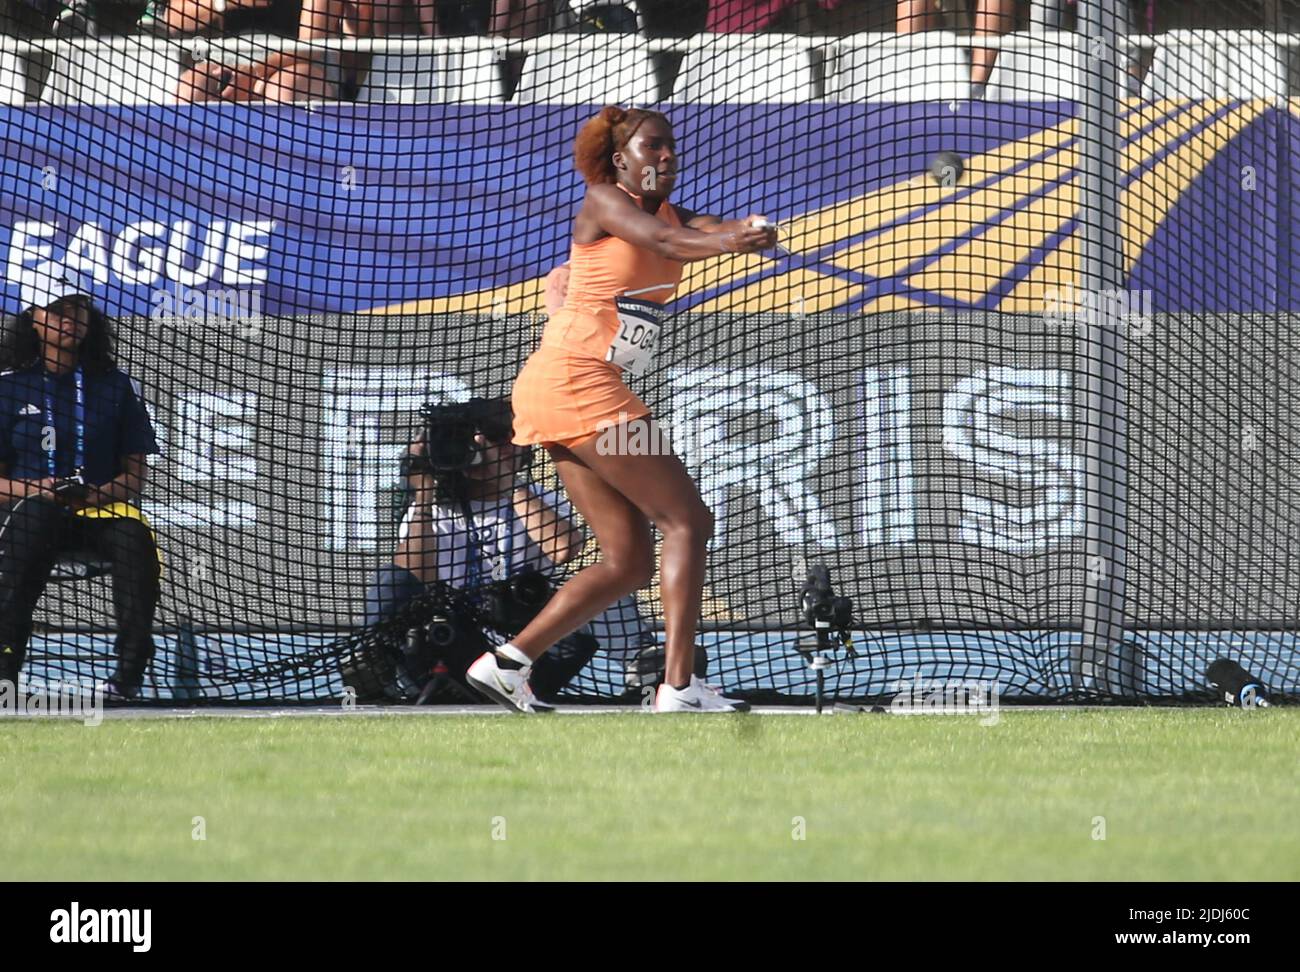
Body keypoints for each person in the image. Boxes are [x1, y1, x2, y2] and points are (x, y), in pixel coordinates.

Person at [464, 105, 775, 714]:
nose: (665, 156)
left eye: (670, 147)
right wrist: (730, 242)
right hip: (582, 387)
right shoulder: (605, 201)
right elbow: (666, 242)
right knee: (688, 521)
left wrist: (751, 229)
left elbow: (692, 229)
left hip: (566, 392)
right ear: (619, 160)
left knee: (628, 560)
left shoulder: (674, 214)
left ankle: (507, 664)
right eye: (652, 147)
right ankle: (679, 686)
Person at [352, 395, 601, 704]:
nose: (500, 449)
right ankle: (372, 671)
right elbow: (416, 575)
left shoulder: (539, 499)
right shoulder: (434, 509)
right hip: (450, 641)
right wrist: (425, 492)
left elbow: (565, 549)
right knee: (391, 580)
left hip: (523, 647)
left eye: (507, 439)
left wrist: (506, 482)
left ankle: (644, 665)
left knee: (605, 576)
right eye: (491, 440)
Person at [0, 269, 162, 699]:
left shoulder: (114, 386)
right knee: (34, 520)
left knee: (133, 538)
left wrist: (90, 494)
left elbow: (133, 476)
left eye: (77, 309)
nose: (69, 318)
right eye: (56, 310)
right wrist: (39, 491)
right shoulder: (8, 388)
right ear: (33, 319)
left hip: (95, 509)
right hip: (26, 511)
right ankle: (4, 672)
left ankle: (127, 678)